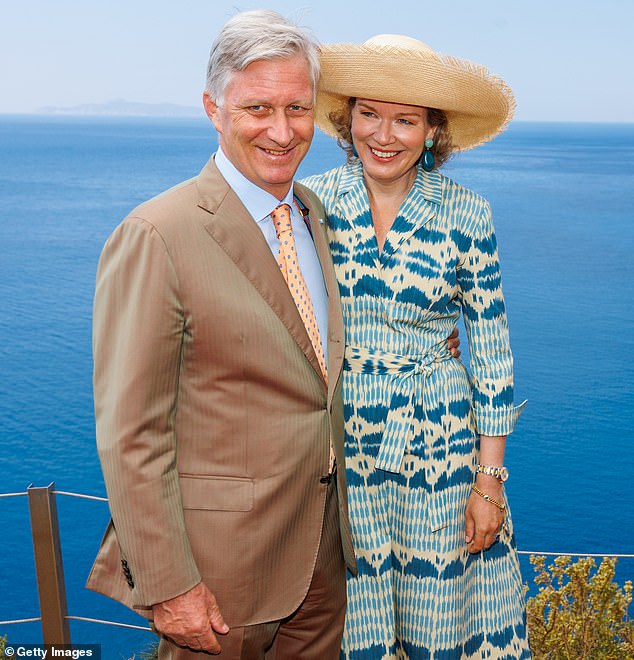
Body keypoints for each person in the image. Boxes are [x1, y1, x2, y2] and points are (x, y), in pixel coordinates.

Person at [85, 10, 358, 658]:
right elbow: (131, 433)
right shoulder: (158, 234)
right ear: (213, 107)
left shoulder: (312, 214)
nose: (282, 130)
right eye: (257, 107)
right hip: (217, 578)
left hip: (319, 560)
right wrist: (168, 584)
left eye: (298, 108)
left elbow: (311, 362)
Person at [302, 35, 531, 658]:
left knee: (444, 612)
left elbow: (492, 352)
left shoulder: (467, 214)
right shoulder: (310, 205)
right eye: (370, 113)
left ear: (433, 131)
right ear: (347, 120)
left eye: (406, 119)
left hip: (441, 440)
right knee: (355, 616)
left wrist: (489, 480)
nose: (385, 133)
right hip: (343, 443)